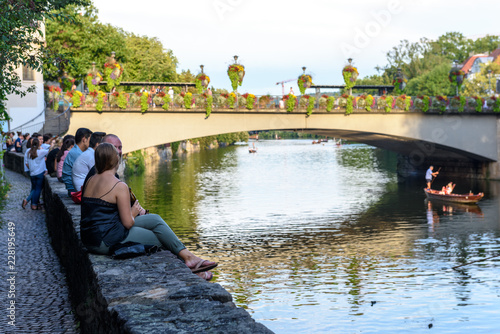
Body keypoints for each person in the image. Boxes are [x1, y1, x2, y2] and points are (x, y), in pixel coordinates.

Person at [80, 143, 217, 281]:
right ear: (116, 159)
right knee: (158, 238)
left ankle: (189, 257)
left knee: (155, 219)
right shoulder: (119, 186)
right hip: (104, 241)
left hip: (89, 238)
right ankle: (192, 268)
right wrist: (133, 212)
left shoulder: (91, 179)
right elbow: (127, 223)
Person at [22, 138, 51, 210]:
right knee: (38, 189)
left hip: (32, 173)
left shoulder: (28, 151)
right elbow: (50, 151)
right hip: (40, 173)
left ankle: (27, 200)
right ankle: (34, 205)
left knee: (34, 189)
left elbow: (26, 162)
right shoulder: (41, 152)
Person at [62, 128, 92, 195]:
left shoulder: (77, 151)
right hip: (74, 189)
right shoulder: (77, 153)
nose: (91, 142)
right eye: (90, 140)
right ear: (84, 139)